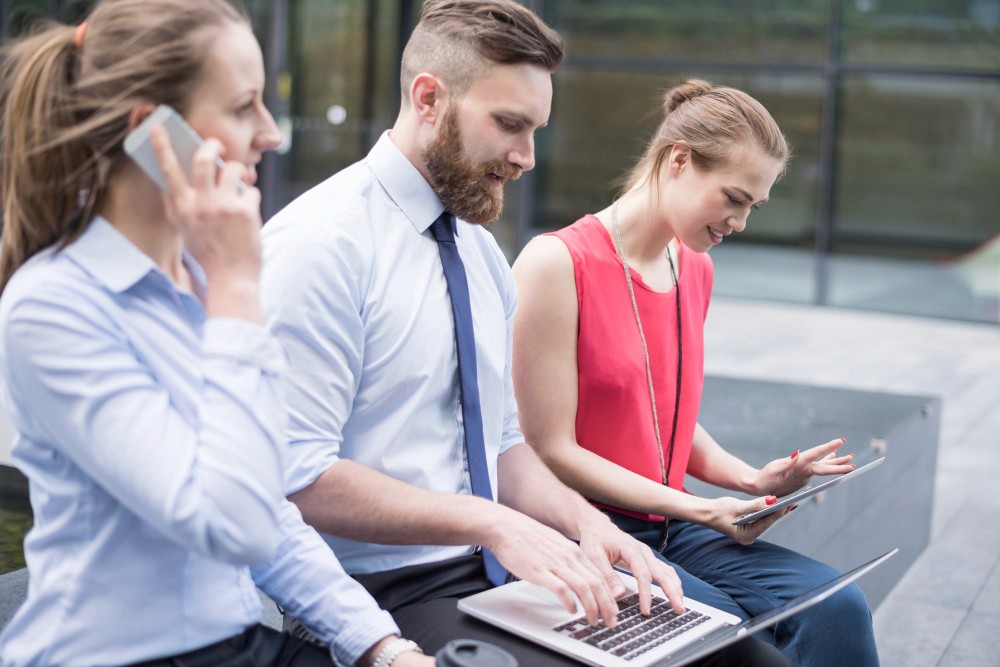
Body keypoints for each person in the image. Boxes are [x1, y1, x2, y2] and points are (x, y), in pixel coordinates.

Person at [259, 2, 787, 666]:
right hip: (383, 590)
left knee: (747, 660)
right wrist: (495, 522)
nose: (527, 157)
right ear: (428, 99)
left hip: (504, 565)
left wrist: (586, 524)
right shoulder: (318, 247)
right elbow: (295, 476)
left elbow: (504, 442)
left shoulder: (481, 255)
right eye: (509, 125)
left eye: (536, 129)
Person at [0, 1, 431, 665]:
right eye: (242, 106)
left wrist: (380, 644)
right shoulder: (52, 307)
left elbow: (268, 504)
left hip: (232, 642)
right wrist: (234, 291)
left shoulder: (205, 276)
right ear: (155, 133)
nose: (271, 132)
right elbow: (231, 518)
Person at [510, 79, 881, 666]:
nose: (739, 221)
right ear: (677, 160)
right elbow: (548, 448)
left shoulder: (693, 267)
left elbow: (660, 415)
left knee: (838, 607)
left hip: (672, 522)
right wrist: (702, 509)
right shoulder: (557, 263)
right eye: (733, 198)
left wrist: (752, 482)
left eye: (752, 207)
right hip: (583, 528)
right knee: (734, 642)